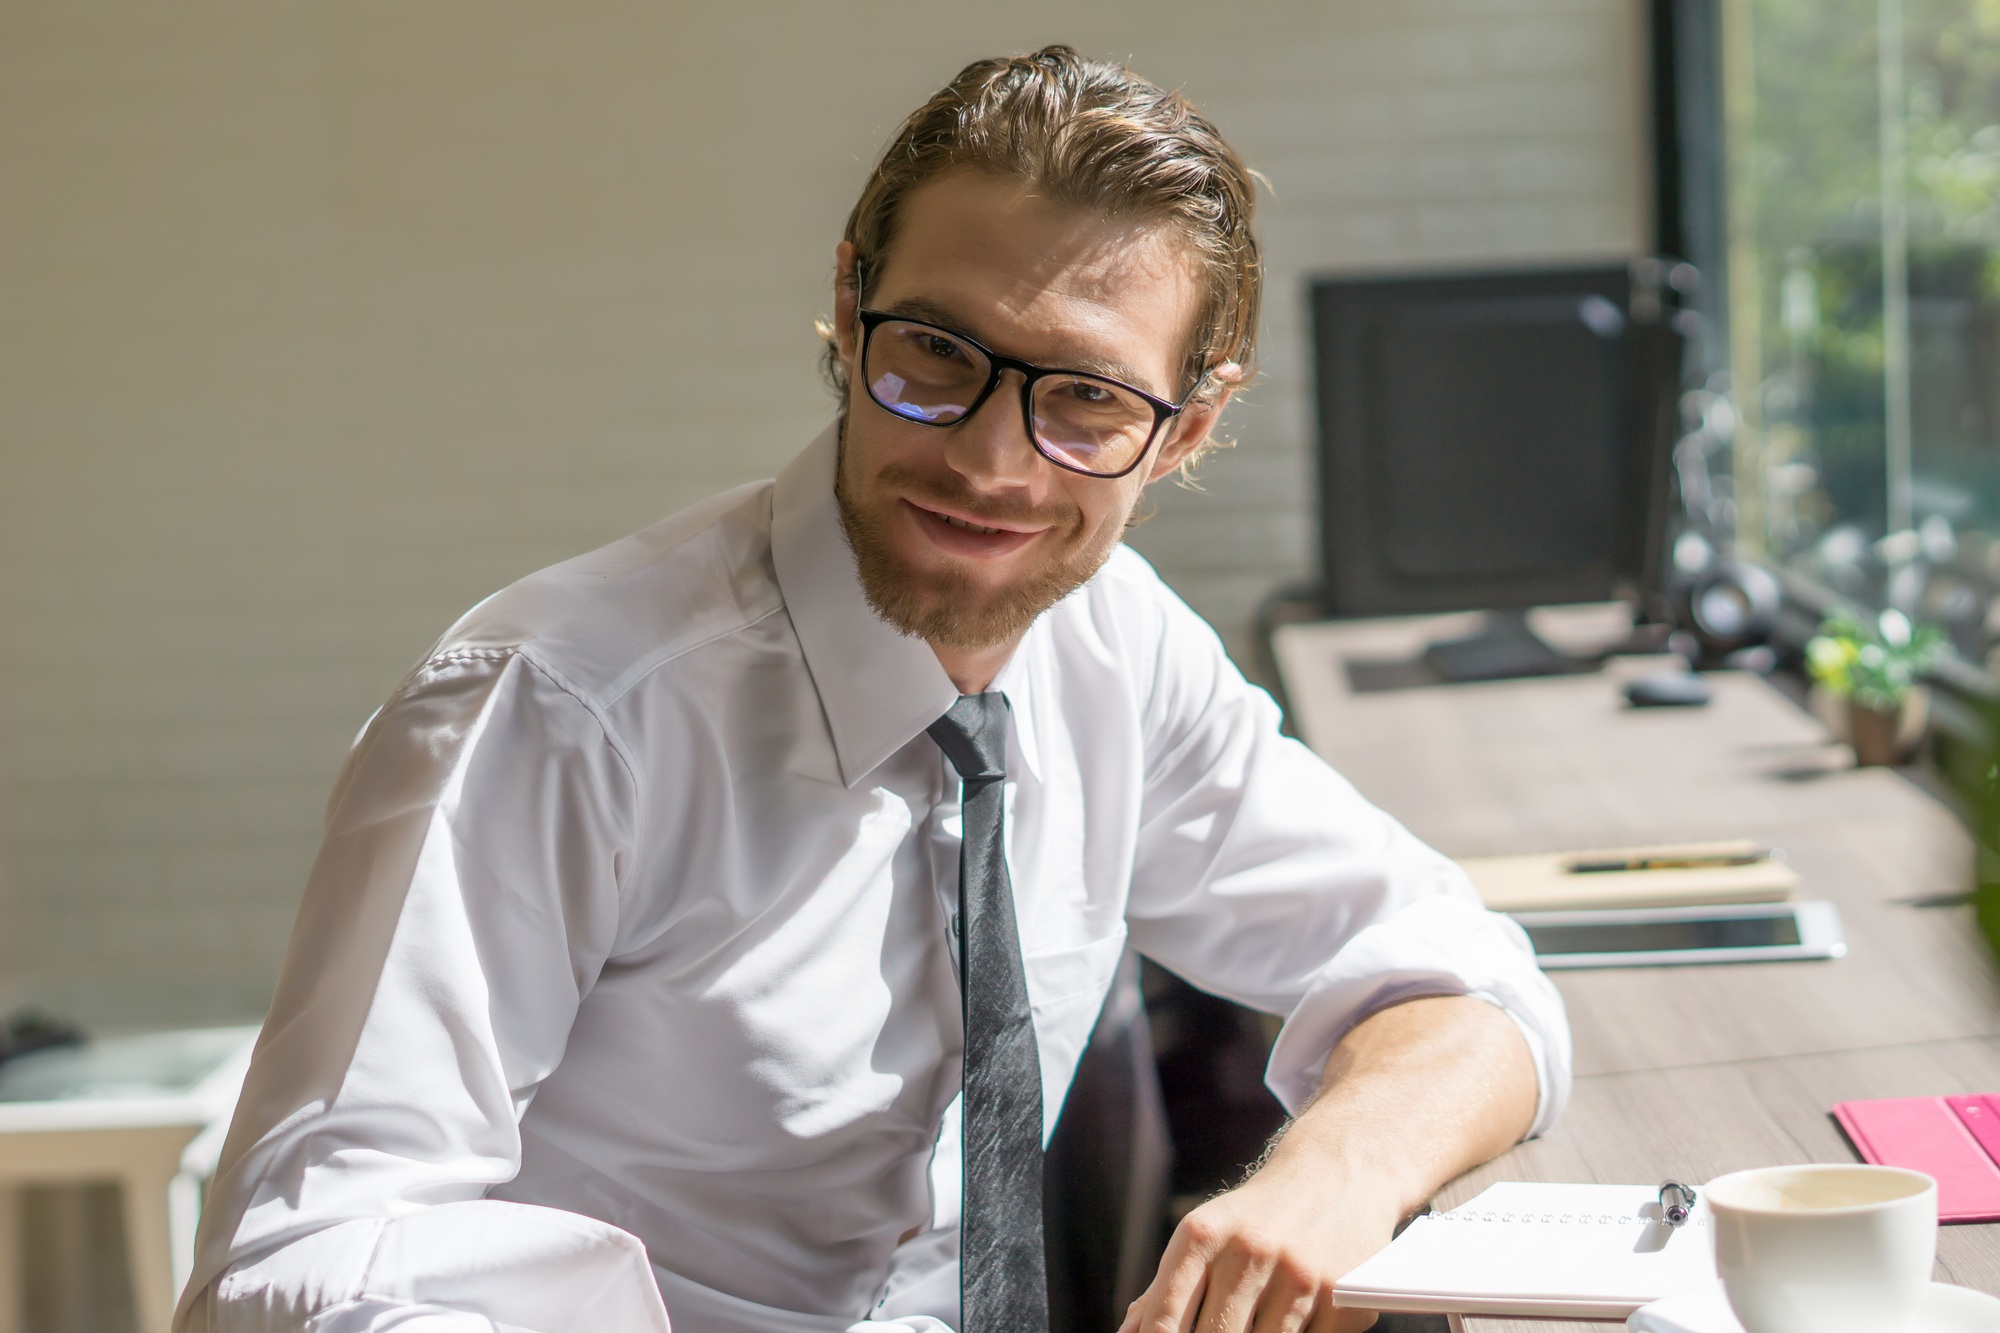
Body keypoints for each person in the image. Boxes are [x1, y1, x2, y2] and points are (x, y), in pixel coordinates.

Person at [177, 46, 1569, 1333]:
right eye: (940, 355)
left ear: (1187, 428)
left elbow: (1465, 977)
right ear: (850, 312)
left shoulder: (1117, 646)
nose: (989, 463)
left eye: (1086, 398)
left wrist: (1332, 1173)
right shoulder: (559, 709)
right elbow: (286, 1275)